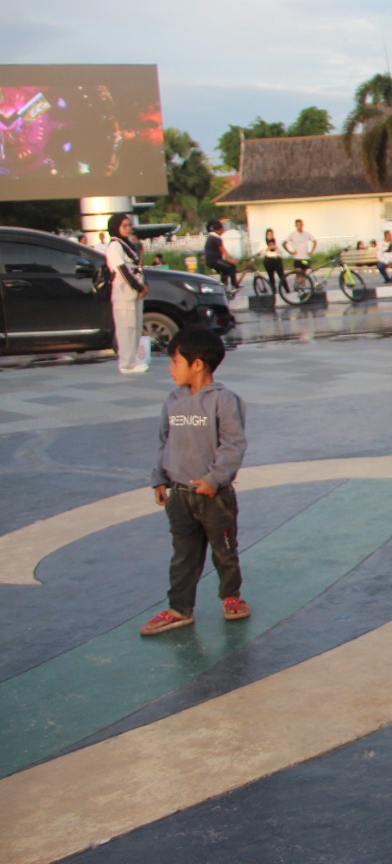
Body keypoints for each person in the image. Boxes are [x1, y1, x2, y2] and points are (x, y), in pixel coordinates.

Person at [140, 325, 250, 636]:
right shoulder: (173, 401)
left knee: (224, 550)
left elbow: (234, 443)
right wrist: (159, 477)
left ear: (197, 364)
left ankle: (231, 598)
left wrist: (214, 479)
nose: (171, 370)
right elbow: (164, 441)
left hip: (213, 496)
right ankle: (179, 608)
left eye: (175, 362)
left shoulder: (224, 401)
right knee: (183, 555)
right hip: (179, 495)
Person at [103, 213, 149, 375]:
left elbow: (136, 267)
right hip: (124, 292)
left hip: (134, 293)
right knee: (126, 327)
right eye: (124, 226)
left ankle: (133, 359)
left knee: (135, 326)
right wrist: (138, 286)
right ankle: (126, 363)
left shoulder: (127, 245)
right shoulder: (115, 246)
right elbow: (122, 270)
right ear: (116, 228)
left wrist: (144, 285)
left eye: (129, 226)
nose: (128, 229)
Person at [202, 219, 239, 291]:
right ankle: (234, 286)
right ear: (218, 230)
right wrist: (231, 261)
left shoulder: (211, 237)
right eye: (222, 229)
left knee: (225, 271)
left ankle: (223, 289)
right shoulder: (216, 238)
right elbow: (224, 251)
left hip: (211, 261)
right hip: (214, 261)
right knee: (232, 267)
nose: (223, 231)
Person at [260, 229, 287, 296]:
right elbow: (261, 252)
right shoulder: (263, 242)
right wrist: (267, 249)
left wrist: (277, 249)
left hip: (276, 259)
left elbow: (281, 251)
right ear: (266, 235)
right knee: (271, 277)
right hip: (268, 260)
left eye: (271, 234)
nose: (270, 236)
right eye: (268, 234)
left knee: (282, 276)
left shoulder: (276, 241)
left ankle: (287, 290)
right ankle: (273, 292)